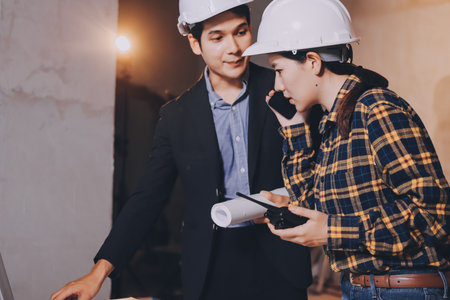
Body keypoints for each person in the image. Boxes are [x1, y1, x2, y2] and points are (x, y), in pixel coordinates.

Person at [50, 1, 312, 300]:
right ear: (194, 43)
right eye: (217, 37)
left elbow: (319, 167)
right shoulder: (176, 116)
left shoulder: (284, 88)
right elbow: (147, 198)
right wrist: (98, 273)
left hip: (280, 256)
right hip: (211, 263)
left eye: (241, 32)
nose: (234, 47)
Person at [243, 0, 450, 299]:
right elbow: (314, 211)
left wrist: (332, 231)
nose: (277, 84)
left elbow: (435, 215)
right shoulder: (333, 124)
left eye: (279, 69)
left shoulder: (376, 109)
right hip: (361, 288)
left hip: (404, 289)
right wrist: (294, 130)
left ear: (312, 62)